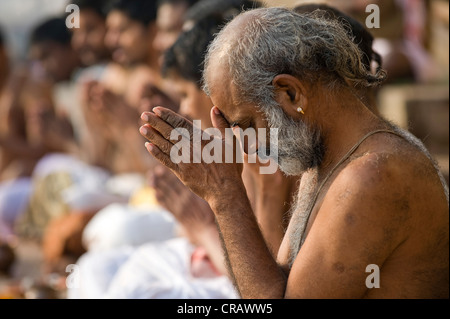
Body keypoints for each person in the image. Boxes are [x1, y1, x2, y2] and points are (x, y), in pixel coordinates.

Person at [140, 7, 449, 298]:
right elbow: (277, 286)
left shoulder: (372, 174)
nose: (245, 143)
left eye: (246, 123)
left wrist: (224, 194)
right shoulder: (326, 157)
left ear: (290, 92)